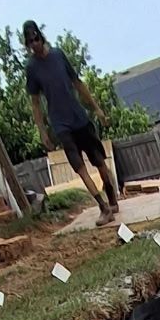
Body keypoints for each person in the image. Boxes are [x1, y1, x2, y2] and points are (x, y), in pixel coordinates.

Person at [23, 20, 119, 225]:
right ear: (27, 44)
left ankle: (111, 196)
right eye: (31, 42)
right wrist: (42, 131)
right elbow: (35, 103)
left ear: (41, 36)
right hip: (61, 124)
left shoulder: (58, 56)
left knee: (100, 163)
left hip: (79, 118)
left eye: (36, 39)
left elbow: (78, 83)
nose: (35, 44)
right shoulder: (32, 68)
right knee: (79, 168)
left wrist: (97, 109)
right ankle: (103, 207)